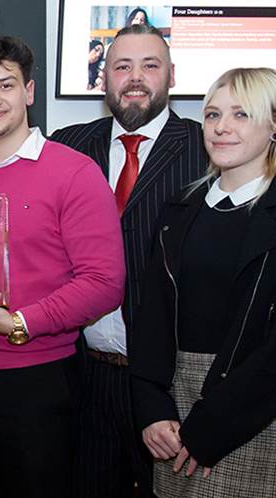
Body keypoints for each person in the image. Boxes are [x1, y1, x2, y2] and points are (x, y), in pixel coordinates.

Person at [0, 36, 126, 498]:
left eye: (6, 85)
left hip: (40, 381)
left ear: (30, 92)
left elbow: (104, 283)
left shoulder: (75, 172)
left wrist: (20, 323)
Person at [51, 24, 206, 498]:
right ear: (103, 79)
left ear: (172, 75)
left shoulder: (208, 149)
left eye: (149, 65)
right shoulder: (67, 146)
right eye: (122, 66)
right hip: (84, 377)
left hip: (170, 386)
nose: (135, 78)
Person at [129, 67, 276, 497]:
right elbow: (151, 317)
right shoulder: (181, 209)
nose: (221, 127)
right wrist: (152, 410)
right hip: (173, 415)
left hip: (253, 414)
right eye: (212, 115)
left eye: (241, 115)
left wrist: (212, 426)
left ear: (272, 126)